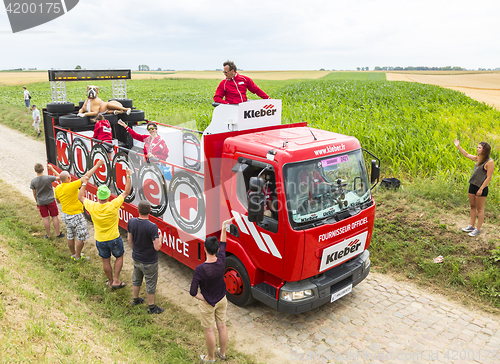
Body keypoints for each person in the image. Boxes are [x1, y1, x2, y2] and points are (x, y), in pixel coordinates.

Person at [190, 217, 235, 363]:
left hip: (208, 303)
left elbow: (192, 291)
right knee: (222, 325)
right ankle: (222, 353)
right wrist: (223, 228)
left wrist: (204, 298)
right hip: (222, 299)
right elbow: (223, 243)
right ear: (216, 250)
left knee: (209, 330)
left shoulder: (200, 269)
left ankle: (210, 358)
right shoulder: (221, 260)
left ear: (204, 249)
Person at [78, 168, 132, 288]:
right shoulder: (113, 204)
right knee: (119, 256)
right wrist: (128, 176)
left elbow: (81, 197)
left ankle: (110, 281)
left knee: (105, 261)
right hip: (114, 238)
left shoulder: (92, 206)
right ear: (108, 196)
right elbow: (126, 192)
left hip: (100, 239)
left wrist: (85, 183)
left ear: (97, 196)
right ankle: (117, 281)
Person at [55, 160, 104, 261]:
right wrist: (97, 165)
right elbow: (86, 176)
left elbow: (58, 201)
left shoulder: (58, 188)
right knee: (81, 236)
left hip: (66, 215)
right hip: (76, 215)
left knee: (70, 234)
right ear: (69, 178)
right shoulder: (71, 186)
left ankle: (73, 254)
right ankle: (78, 256)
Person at [127, 200, 164, 314]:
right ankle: (151, 307)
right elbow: (157, 247)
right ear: (150, 211)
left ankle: (136, 299)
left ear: (137, 210)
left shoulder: (131, 221)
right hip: (149, 261)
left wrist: (135, 250)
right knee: (150, 282)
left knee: (136, 279)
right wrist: (161, 236)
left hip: (136, 258)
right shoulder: (152, 226)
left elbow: (129, 239)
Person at [454, 139, 494, 237]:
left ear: (485, 150)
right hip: (473, 185)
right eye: (478, 147)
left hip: (481, 188)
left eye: (479, 148)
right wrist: (458, 146)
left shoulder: (489, 162)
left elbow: (489, 177)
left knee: (480, 209)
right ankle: (471, 226)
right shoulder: (479, 158)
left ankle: (478, 229)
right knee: (472, 206)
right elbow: (467, 155)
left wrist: (481, 189)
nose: (477, 149)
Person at [30, 163, 64, 239]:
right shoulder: (48, 178)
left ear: (35, 171)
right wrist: (52, 169)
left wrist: (37, 202)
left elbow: (34, 194)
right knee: (54, 217)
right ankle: (58, 234)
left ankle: (48, 235)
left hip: (41, 202)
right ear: (43, 169)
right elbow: (60, 177)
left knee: (45, 218)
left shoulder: (33, 182)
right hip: (51, 200)